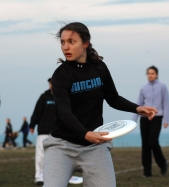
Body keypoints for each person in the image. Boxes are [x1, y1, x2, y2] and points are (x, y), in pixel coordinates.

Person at [42, 22, 157, 187]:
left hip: (95, 146)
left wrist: (137, 108)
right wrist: (85, 133)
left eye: (71, 41)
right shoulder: (61, 75)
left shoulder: (99, 68)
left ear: (86, 43)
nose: (65, 47)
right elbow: (63, 110)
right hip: (62, 146)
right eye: (62, 42)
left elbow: (112, 98)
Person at [132, 66, 169, 177]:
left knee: (152, 141)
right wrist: (133, 121)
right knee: (145, 145)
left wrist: (166, 120)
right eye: (148, 73)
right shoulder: (143, 88)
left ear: (156, 74)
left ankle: (163, 164)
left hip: (157, 117)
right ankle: (147, 172)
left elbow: (166, 104)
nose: (150, 75)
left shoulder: (162, 87)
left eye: (152, 73)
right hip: (145, 118)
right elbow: (138, 104)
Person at [29, 78, 55, 186]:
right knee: (40, 156)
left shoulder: (63, 97)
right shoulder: (44, 97)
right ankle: (39, 178)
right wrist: (32, 125)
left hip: (58, 132)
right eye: (50, 83)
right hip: (43, 131)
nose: (51, 85)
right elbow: (37, 111)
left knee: (58, 156)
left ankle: (55, 178)